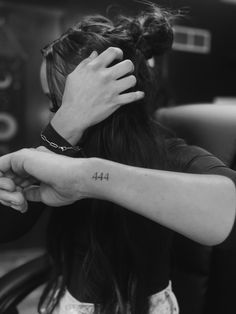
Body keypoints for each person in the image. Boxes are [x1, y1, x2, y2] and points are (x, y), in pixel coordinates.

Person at [0, 5, 236, 314]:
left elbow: (227, 209)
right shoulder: (61, 145)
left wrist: (86, 178)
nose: (52, 115)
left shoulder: (166, 151)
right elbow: (6, 228)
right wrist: (62, 131)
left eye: (56, 101)